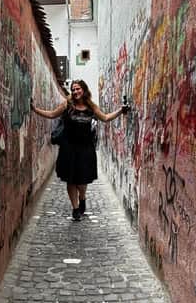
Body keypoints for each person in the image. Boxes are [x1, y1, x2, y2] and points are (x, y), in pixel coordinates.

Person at [31, 79, 129, 220]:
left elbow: (105, 118)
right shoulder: (67, 105)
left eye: (78, 89)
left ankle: (82, 197)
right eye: (73, 89)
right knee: (70, 180)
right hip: (68, 148)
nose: (75, 91)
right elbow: (52, 114)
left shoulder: (91, 107)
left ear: (83, 90)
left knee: (82, 180)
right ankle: (75, 209)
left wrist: (121, 110)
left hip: (85, 149)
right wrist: (35, 109)